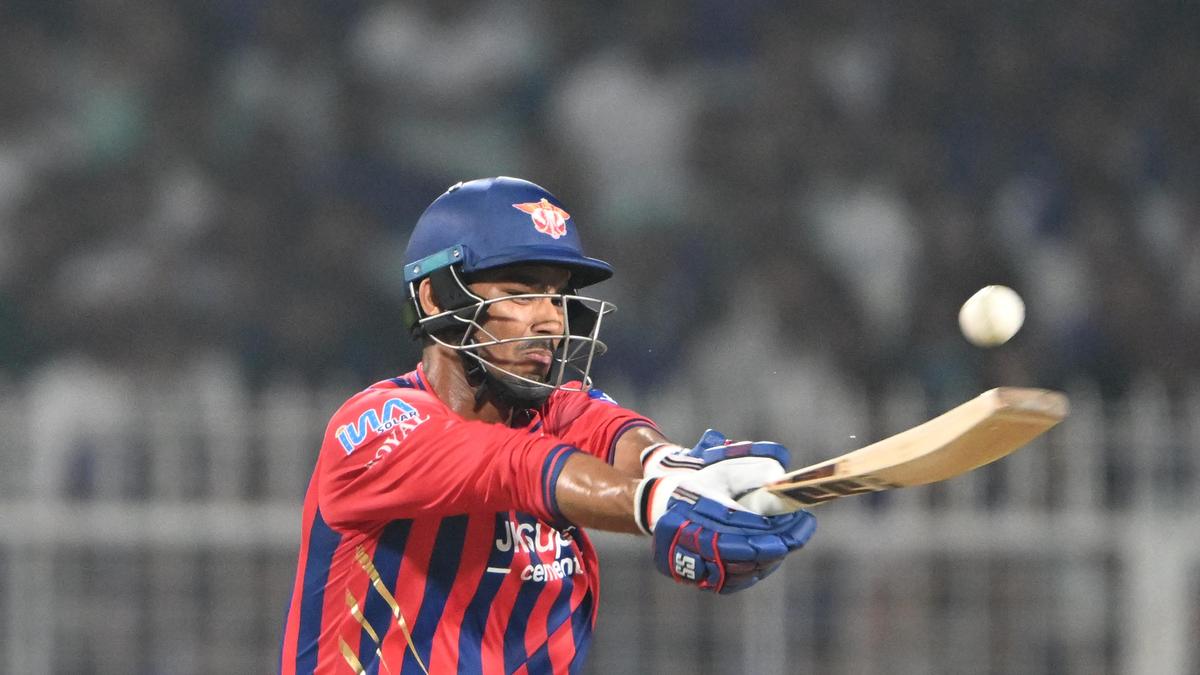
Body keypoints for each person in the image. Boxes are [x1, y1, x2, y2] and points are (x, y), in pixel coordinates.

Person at [278, 177, 816, 674]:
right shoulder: (375, 426)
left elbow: (610, 430)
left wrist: (672, 468)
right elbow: (513, 466)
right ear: (436, 297)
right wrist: (655, 503)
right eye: (522, 292)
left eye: (558, 296)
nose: (552, 320)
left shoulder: (548, 412)